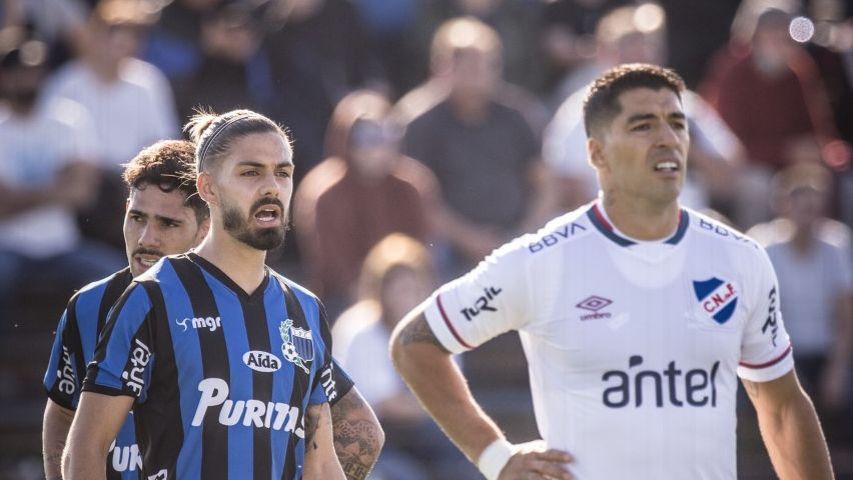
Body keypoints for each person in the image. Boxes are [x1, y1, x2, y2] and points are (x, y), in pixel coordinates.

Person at [390, 63, 835, 479]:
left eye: (677, 124)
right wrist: (495, 457)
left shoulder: (739, 258)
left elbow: (781, 407)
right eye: (643, 125)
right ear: (597, 154)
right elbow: (415, 344)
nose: (667, 138)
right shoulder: (543, 260)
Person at [44, 138, 383, 480]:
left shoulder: (287, 309)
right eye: (137, 218)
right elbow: (63, 423)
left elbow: (362, 432)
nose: (147, 238)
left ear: (208, 223)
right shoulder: (90, 307)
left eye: (168, 223)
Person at [333, 234, 478, 479]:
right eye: (398, 288)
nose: (406, 296)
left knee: (470, 469)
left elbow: (451, 395)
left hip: (429, 438)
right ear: (380, 290)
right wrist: (439, 406)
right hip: (369, 440)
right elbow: (389, 405)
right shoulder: (359, 330)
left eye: (413, 287)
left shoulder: (441, 330)